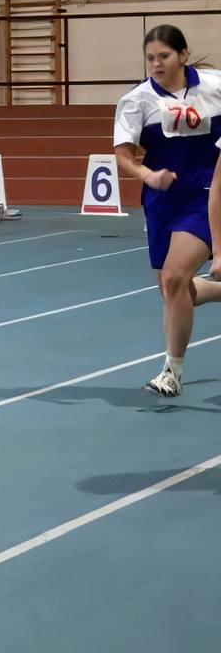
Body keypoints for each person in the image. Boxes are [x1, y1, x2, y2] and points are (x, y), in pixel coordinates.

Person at [114, 25, 221, 396]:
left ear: (184, 55)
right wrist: (148, 175)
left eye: (164, 56)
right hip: (163, 198)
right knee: (170, 287)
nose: (157, 63)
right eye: (150, 58)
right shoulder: (136, 100)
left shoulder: (214, 85)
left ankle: (171, 372)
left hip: (207, 194)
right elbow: (123, 157)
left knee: (175, 277)